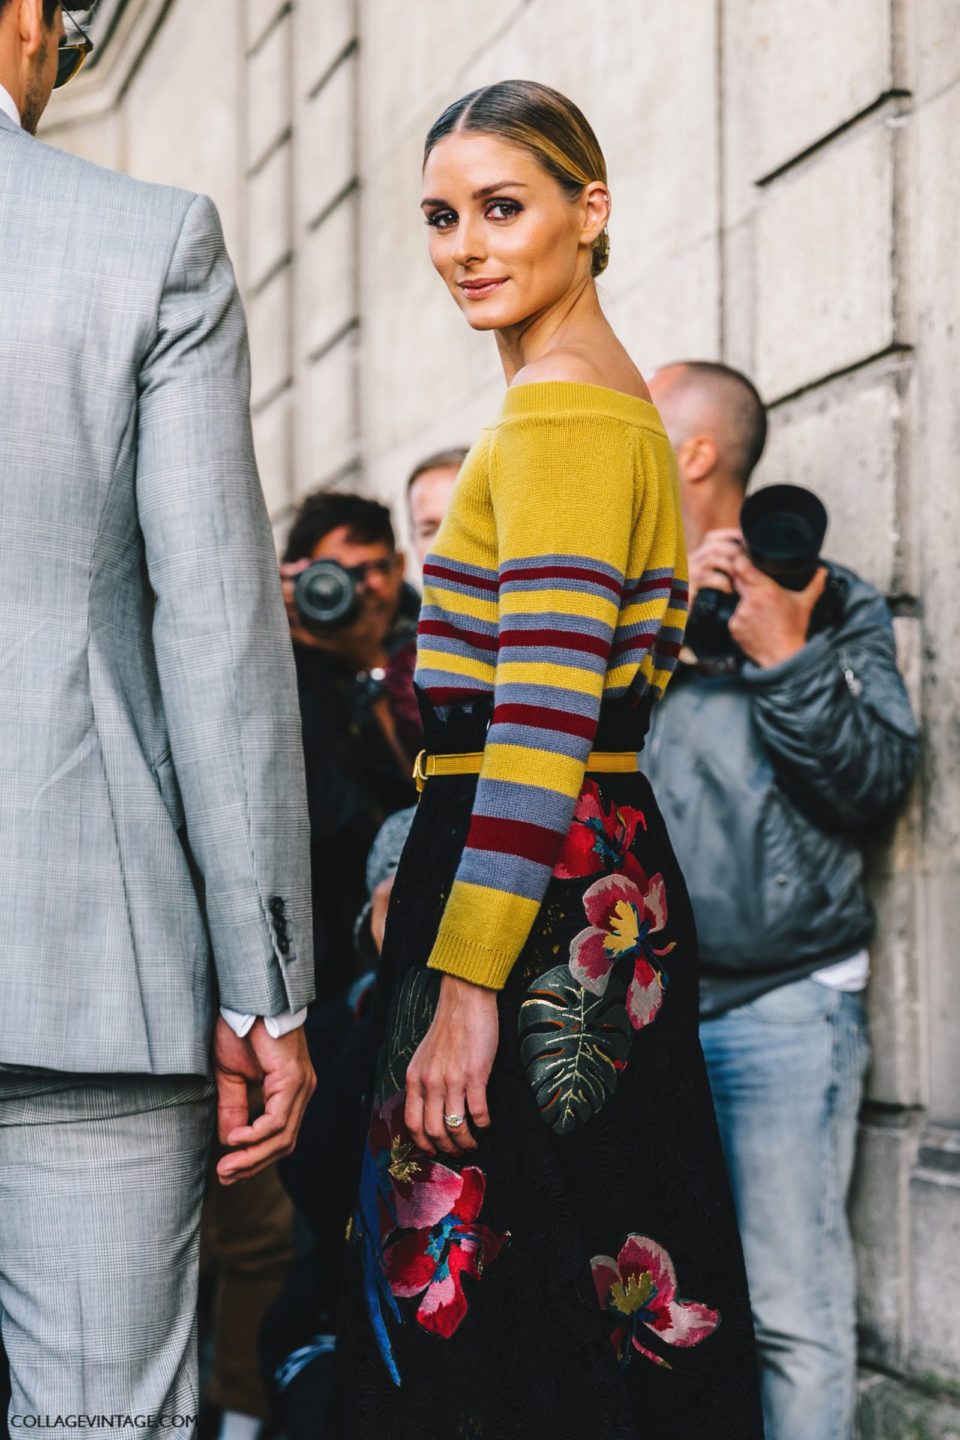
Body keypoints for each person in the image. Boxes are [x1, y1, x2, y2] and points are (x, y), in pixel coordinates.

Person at [329, 80, 763, 1439]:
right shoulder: (612, 403)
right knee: (588, 1277)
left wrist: (465, 986)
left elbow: (541, 716)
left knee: (488, 1304)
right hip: (576, 864)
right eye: (442, 217)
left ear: (593, 212)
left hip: (527, 875)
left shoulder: (563, 413)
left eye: (502, 208)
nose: (466, 244)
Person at [0, 3, 316, 1432]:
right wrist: (265, 987)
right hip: (87, 974)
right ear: (23, 26)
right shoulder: (150, 245)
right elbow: (217, 634)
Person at [642, 360, 920, 1440]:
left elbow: (876, 783)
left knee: (791, 1311)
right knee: (652, 1306)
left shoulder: (826, 599)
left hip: (783, 1010)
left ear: (696, 451)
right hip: (633, 1013)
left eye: (644, 420)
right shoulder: (621, 603)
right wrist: (665, 625)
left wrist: (784, 657)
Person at [279, 492, 420, 1001]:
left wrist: (369, 662)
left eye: (371, 570)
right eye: (334, 575)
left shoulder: (427, 644)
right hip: (323, 943)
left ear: (399, 565)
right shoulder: (278, 665)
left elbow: (424, 785)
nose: (359, 591)